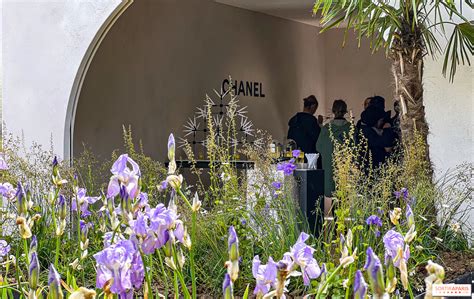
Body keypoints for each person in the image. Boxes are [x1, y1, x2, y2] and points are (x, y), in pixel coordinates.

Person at [316, 99, 351, 197]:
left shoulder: (326, 129)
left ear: (332, 111)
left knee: (331, 196)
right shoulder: (351, 128)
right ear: (345, 112)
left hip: (329, 169)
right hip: (345, 169)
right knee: (344, 198)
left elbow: (318, 147)